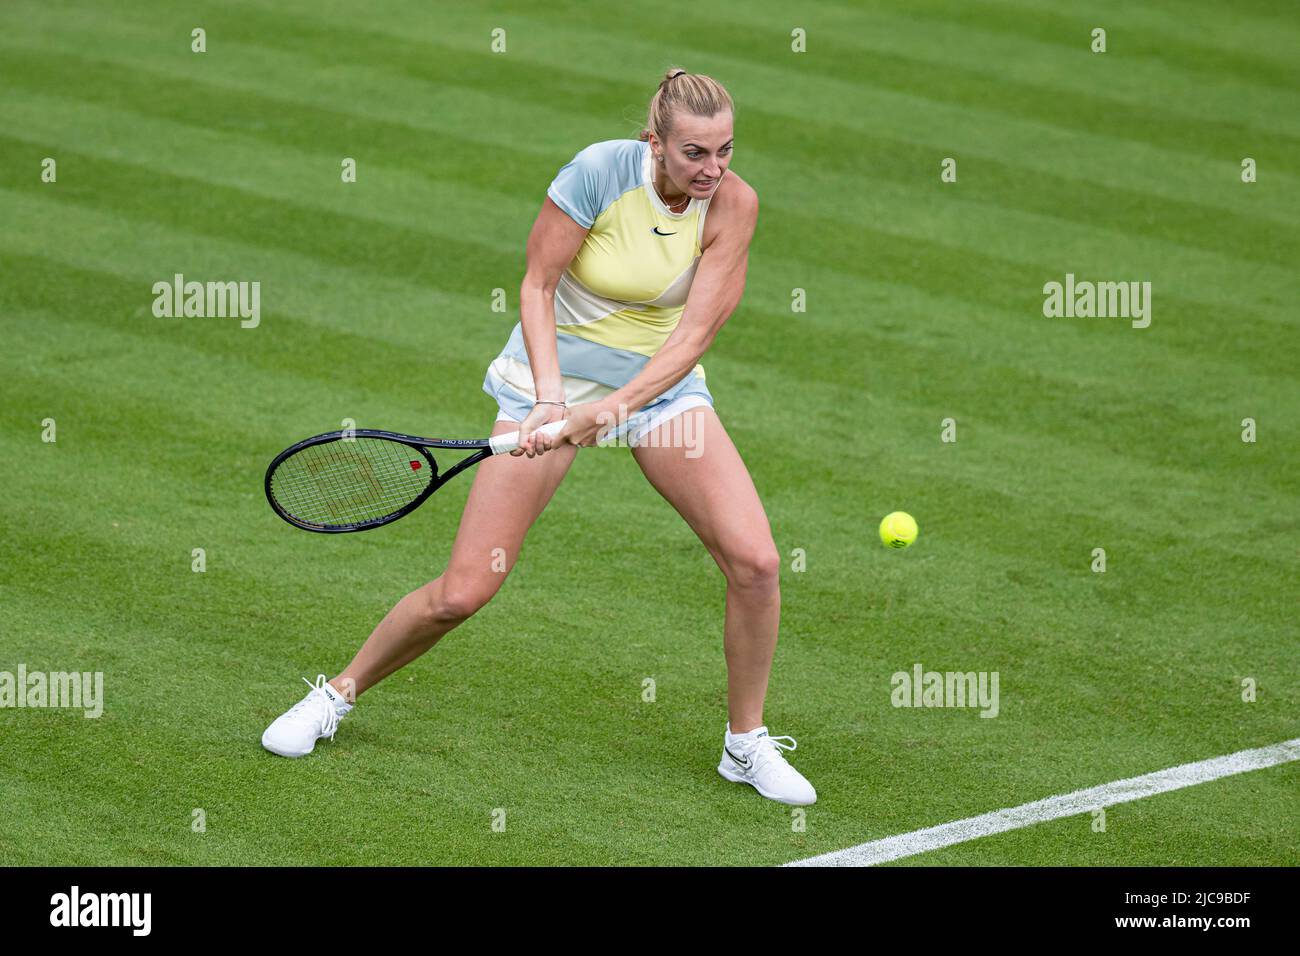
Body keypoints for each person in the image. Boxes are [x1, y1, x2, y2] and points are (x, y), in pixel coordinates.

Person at [261, 68, 815, 806]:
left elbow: (692, 338)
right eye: (694, 154)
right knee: (464, 591)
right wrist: (553, 398)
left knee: (756, 562)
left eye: (725, 150)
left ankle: (744, 744)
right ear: (655, 142)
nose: (714, 169)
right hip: (547, 378)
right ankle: (335, 695)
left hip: (655, 390)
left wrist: (608, 411)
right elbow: (537, 286)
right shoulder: (597, 172)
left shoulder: (733, 205)